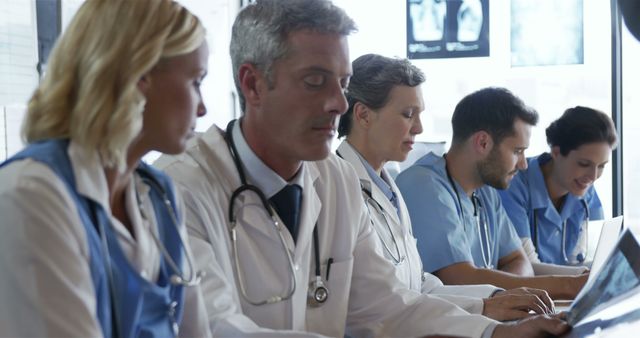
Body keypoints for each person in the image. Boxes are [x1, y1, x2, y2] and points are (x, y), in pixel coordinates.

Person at [158, 1, 569, 337]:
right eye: (316, 81)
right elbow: (217, 328)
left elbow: (386, 305)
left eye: (343, 82)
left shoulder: (335, 181)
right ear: (252, 85)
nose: (338, 103)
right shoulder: (180, 187)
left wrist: (493, 332)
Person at [0, 1, 211, 337]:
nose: (203, 108)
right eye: (196, 81)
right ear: (140, 75)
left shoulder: (160, 196)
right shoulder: (31, 195)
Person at [336, 53, 554, 321]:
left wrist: (494, 298)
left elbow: (419, 284)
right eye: (408, 114)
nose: (419, 127)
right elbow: (383, 301)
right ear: (363, 115)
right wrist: (487, 315)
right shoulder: (338, 188)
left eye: (419, 114)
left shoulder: (386, 188)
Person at [397, 87, 588, 300]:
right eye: (517, 151)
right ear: (483, 142)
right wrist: (568, 285)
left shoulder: (486, 192)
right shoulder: (423, 185)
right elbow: (458, 278)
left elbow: (520, 261)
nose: (524, 165)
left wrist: (507, 293)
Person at [498, 107, 617, 266]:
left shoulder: (585, 191)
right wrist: (583, 276)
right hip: (526, 289)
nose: (593, 176)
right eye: (584, 164)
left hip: (569, 289)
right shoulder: (513, 186)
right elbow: (526, 266)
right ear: (556, 153)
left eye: (601, 166)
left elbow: (595, 259)